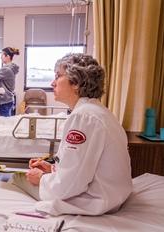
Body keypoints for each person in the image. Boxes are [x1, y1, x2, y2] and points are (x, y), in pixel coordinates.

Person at [14, 53, 132, 216]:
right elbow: (82, 167)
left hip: (95, 201)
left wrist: (41, 178)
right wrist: (52, 169)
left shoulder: (83, 117)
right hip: (113, 195)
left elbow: (68, 185)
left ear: (75, 82)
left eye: (58, 76)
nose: (52, 82)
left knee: (15, 178)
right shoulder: (98, 111)